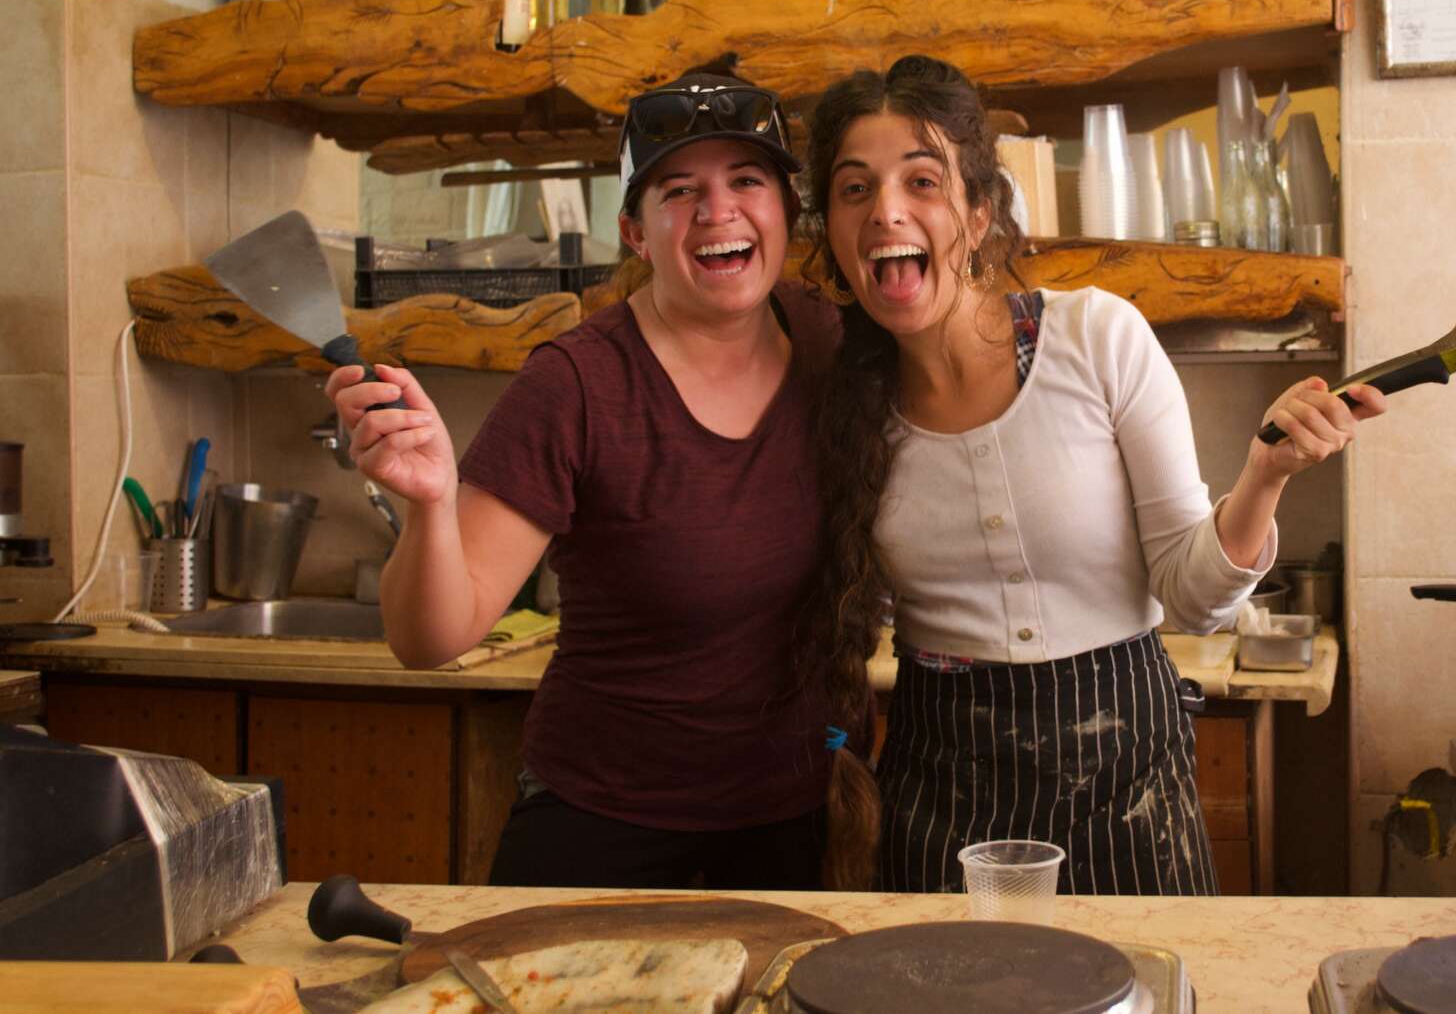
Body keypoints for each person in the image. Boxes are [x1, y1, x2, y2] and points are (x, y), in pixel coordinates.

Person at [796, 56, 1385, 895]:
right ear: (832, 230)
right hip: (941, 800)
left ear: (979, 211)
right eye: (855, 189)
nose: (886, 210)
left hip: (1130, 796)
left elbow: (1195, 601)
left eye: (921, 181)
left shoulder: (1097, 337)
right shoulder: (845, 402)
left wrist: (1265, 474)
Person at [327, 71, 845, 890]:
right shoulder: (575, 384)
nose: (718, 212)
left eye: (747, 181)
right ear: (635, 233)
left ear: (786, 210)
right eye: (680, 190)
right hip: (603, 824)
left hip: (793, 821)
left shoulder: (831, 344)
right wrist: (430, 504)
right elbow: (429, 641)